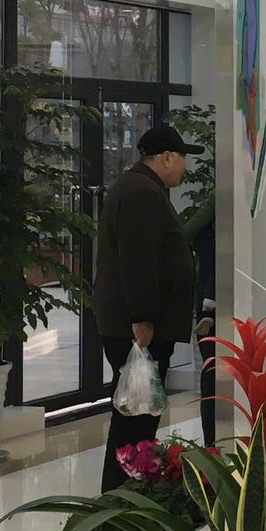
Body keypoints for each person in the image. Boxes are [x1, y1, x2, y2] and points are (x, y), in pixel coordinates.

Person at [92, 124, 199, 491]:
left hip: (134, 325)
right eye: (182, 158)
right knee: (135, 418)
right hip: (137, 330)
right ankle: (121, 498)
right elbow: (137, 261)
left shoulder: (139, 187)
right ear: (166, 157)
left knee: (137, 414)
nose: (184, 167)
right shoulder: (142, 193)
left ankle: (127, 493)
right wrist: (143, 318)